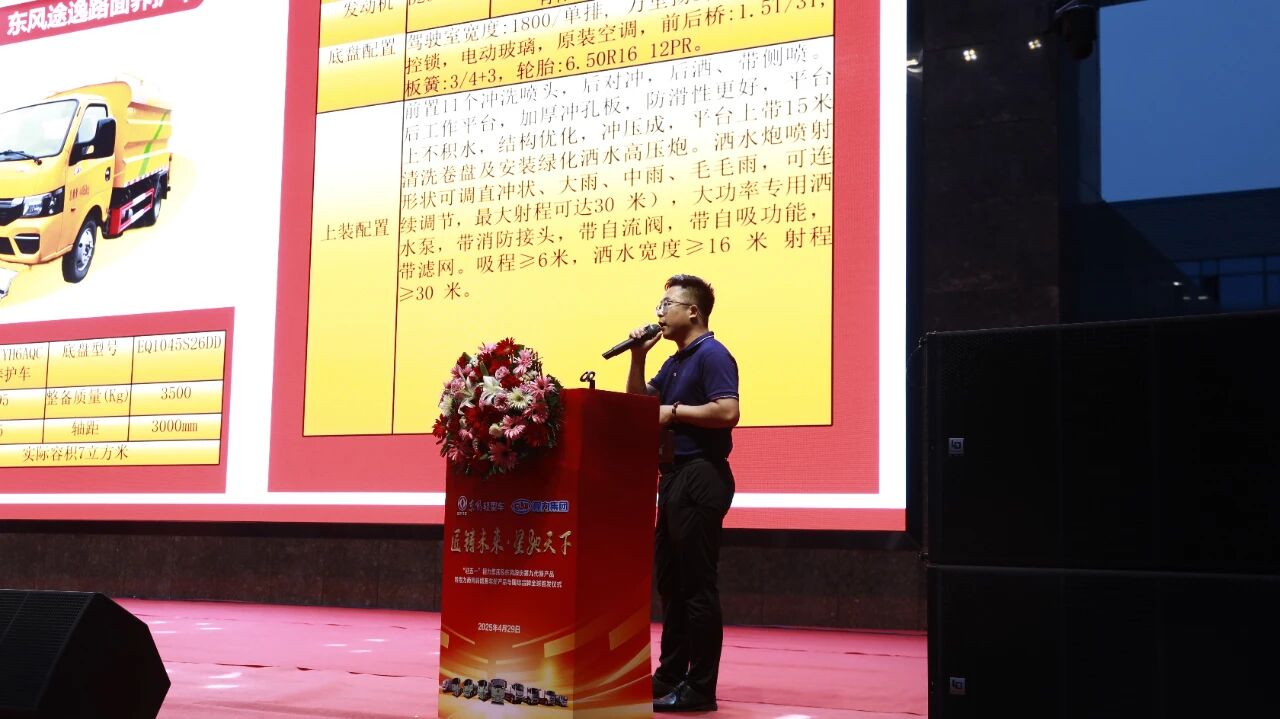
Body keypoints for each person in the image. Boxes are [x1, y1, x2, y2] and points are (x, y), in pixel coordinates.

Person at [626, 274, 740, 713]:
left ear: (692, 311)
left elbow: (727, 411)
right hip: (673, 477)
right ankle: (670, 673)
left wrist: (673, 412)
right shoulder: (673, 362)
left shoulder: (712, 354)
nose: (659, 313)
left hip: (701, 474)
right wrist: (638, 357)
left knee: (696, 586)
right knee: (671, 584)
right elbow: (640, 408)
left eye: (666, 304)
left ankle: (700, 687)